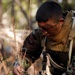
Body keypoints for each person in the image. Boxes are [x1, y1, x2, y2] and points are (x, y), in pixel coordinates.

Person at [13, 1, 75, 75]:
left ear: (61, 21)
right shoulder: (39, 33)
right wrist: (19, 65)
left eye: (48, 28)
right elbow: (27, 54)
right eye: (41, 27)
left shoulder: (73, 30)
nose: (44, 32)